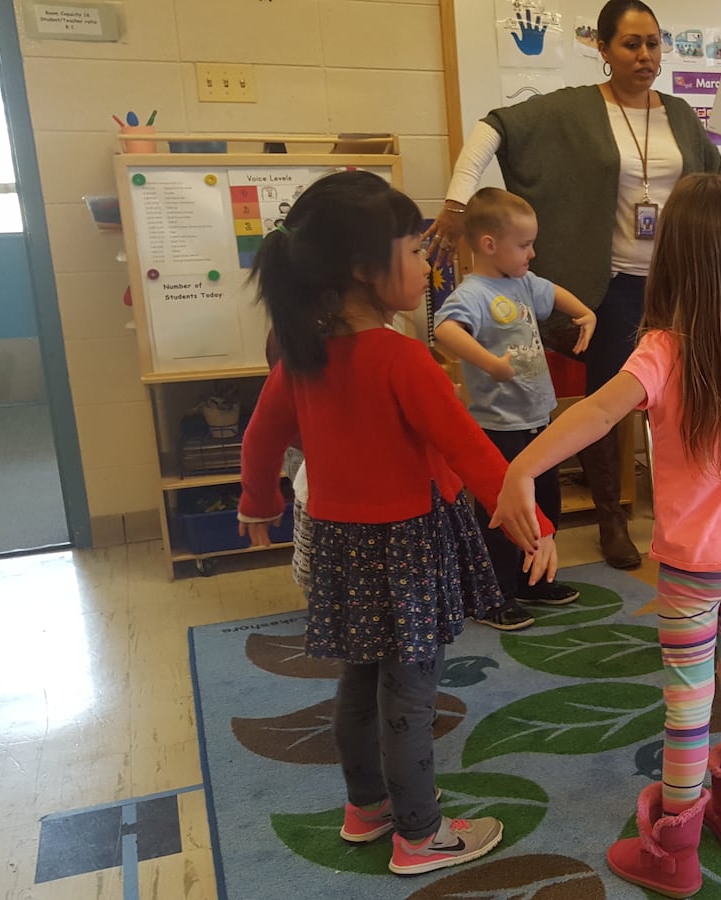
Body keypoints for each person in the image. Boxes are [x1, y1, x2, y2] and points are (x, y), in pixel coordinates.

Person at [491, 174, 721, 899]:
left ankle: (674, 850)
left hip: (694, 565)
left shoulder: (662, 348)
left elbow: (597, 412)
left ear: (673, 260)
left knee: (688, 704)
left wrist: (522, 468)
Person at [235, 172, 556, 877]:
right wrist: (530, 520)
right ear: (362, 269)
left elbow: (261, 438)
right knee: (410, 692)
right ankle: (420, 835)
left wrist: (258, 503)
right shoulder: (403, 359)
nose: (426, 265)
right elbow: (469, 448)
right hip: (407, 545)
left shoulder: (303, 353)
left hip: (341, 547)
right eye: (413, 252)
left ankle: (367, 809)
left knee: (360, 679)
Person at [427, 0, 721, 571]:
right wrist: (456, 199)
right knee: (609, 402)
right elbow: (495, 126)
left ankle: (706, 502)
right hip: (614, 286)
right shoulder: (575, 110)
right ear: (603, 48)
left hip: (679, 283)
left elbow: (717, 192)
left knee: (698, 389)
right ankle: (611, 518)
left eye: (653, 43)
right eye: (631, 44)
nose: (645, 55)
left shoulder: (679, 114)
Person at [434, 188, 598, 624]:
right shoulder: (473, 293)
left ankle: (533, 581)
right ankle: (493, 595)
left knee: (544, 507)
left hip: (537, 421)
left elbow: (554, 293)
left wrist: (586, 313)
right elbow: (445, 331)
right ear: (490, 244)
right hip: (500, 427)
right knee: (504, 515)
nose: (532, 252)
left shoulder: (523, 282)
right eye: (524, 245)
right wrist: (491, 364)